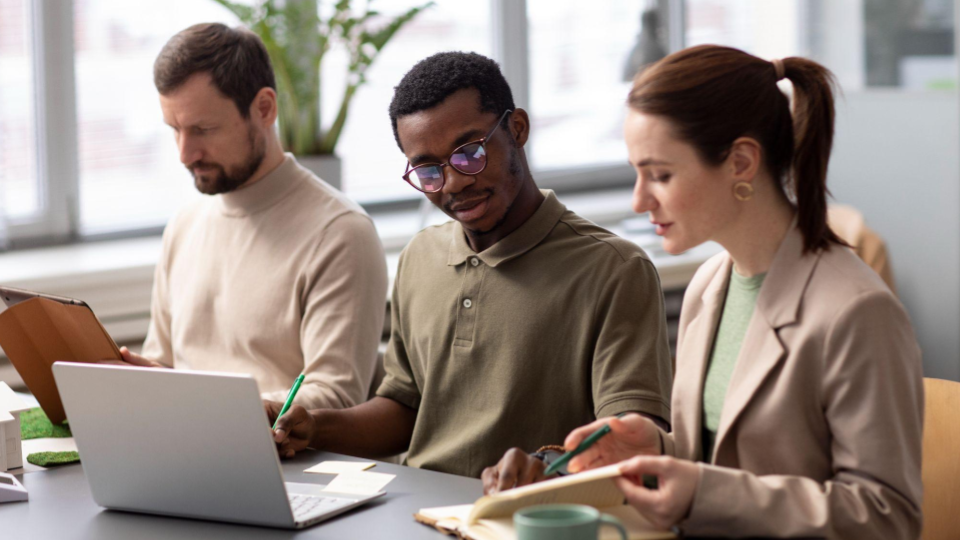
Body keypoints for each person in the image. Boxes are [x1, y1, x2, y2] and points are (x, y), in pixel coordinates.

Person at [483, 45, 924, 539]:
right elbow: (721, 460)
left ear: (740, 162)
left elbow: (888, 517)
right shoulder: (709, 287)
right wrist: (655, 449)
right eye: (636, 172)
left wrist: (700, 492)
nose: (638, 199)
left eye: (661, 175)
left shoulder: (857, 312)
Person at [269, 52, 674, 478]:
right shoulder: (420, 258)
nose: (455, 182)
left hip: (527, 517)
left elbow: (630, 440)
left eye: (470, 152)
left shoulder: (614, 269)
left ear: (517, 129)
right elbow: (405, 410)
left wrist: (546, 467)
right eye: (428, 170)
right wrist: (313, 425)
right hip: (414, 512)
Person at [118, 23, 388, 410]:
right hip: (184, 450)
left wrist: (212, 410)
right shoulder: (184, 225)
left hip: (289, 464)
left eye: (203, 129)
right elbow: (164, 365)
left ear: (264, 108)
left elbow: (336, 397)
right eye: (174, 129)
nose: (184, 153)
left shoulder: (340, 233)